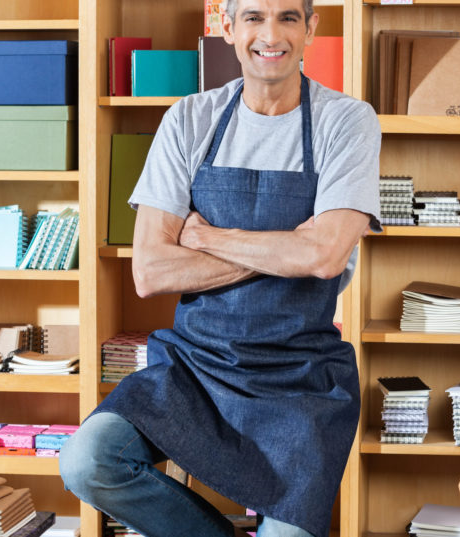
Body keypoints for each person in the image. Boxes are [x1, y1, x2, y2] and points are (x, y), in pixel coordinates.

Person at [59, 0, 381, 535]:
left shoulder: (346, 120)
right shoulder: (189, 119)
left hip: (300, 380)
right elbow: (152, 272)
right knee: (88, 461)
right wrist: (287, 249)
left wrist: (206, 236)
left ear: (311, 29)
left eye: (288, 18)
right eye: (253, 18)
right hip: (196, 368)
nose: (270, 34)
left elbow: (323, 258)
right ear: (228, 28)